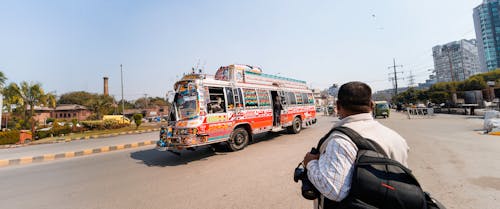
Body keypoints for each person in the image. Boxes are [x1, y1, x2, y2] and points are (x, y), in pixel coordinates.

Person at [302, 81, 410, 209]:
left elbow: (333, 191)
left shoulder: (340, 141)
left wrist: (310, 163)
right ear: (371, 105)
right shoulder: (396, 138)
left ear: (338, 106)